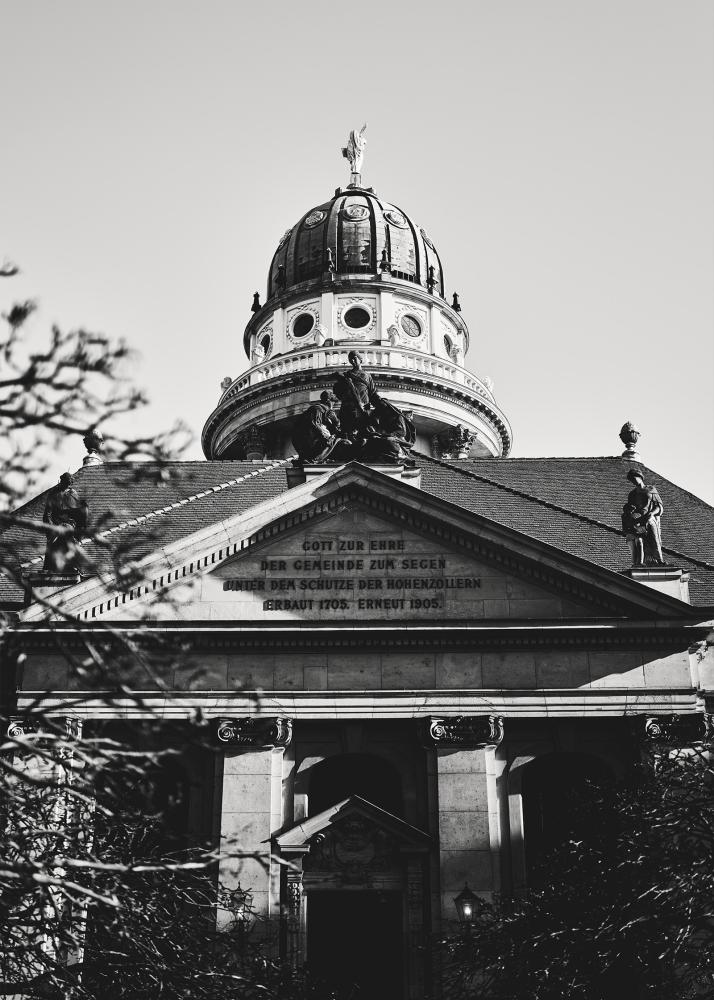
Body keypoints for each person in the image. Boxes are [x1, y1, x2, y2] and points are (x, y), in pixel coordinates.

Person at [43, 472, 88, 572]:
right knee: (55, 540)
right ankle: (51, 566)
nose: (66, 485)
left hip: (69, 523)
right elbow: (47, 513)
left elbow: (78, 513)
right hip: (56, 523)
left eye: (69, 483)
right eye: (65, 483)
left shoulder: (73, 494)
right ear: (61, 481)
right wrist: (51, 526)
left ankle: (72, 564)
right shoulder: (54, 494)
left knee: (70, 537)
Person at [621, 469, 664, 566]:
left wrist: (652, 513)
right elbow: (629, 509)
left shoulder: (651, 490)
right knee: (638, 539)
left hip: (649, 516)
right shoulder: (632, 494)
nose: (633, 481)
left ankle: (659, 559)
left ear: (640, 477)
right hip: (638, 519)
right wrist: (632, 515)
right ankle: (640, 561)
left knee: (652, 529)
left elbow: (659, 506)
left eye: (634, 478)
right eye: (631, 480)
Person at [333, 351, 380, 439]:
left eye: (354, 358)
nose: (352, 361)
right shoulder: (347, 375)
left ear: (360, 359)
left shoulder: (367, 376)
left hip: (364, 408)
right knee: (347, 434)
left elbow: (373, 393)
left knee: (366, 433)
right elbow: (339, 392)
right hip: (349, 408)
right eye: (350, 359)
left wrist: (381, 403)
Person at [291, 391, 344, 463]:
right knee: (339, 442)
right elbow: (315, 425)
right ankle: (314, 458)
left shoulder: (323, 411)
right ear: (328, 401)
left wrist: (336, 422)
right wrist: (327, 437)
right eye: (332, 403)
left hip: (312, 441)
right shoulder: (318, 409)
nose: (332, 406)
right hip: (310, 443)